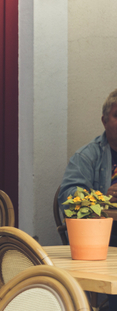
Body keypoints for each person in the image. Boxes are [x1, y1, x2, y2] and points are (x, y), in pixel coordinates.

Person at [59, 88, 117, 238]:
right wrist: (103, 198)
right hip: (101, 239)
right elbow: (67, 198)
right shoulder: (86, 156)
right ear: (104, 121)